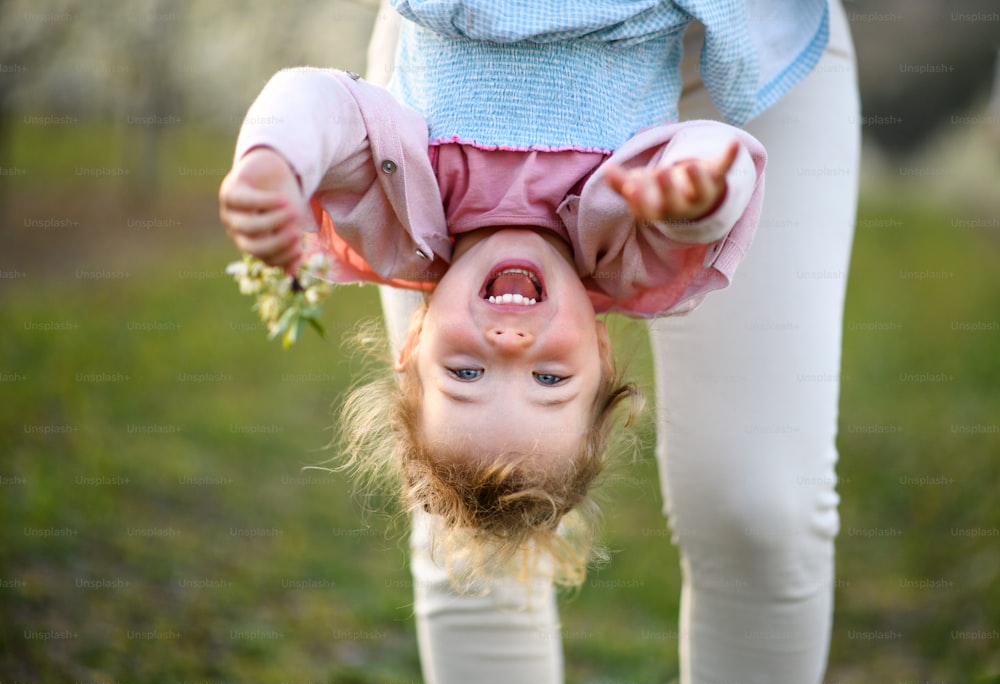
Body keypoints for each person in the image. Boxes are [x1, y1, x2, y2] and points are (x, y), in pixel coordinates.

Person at [366, 0, 860, 684]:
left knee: (760, 507)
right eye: (546, 378)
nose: (508, 342)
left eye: (473, 365)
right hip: (469, 55)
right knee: (476, 509)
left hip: (743, 48)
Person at [219, 58, 765, 585]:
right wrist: (697, 196)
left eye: (465, 374)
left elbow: (327, 104)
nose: (509, 344)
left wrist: (274, 158)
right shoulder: (633, 244)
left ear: (414, 337)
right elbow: (718, 151)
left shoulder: (398, 203)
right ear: (600, 350)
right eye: (549, 380)